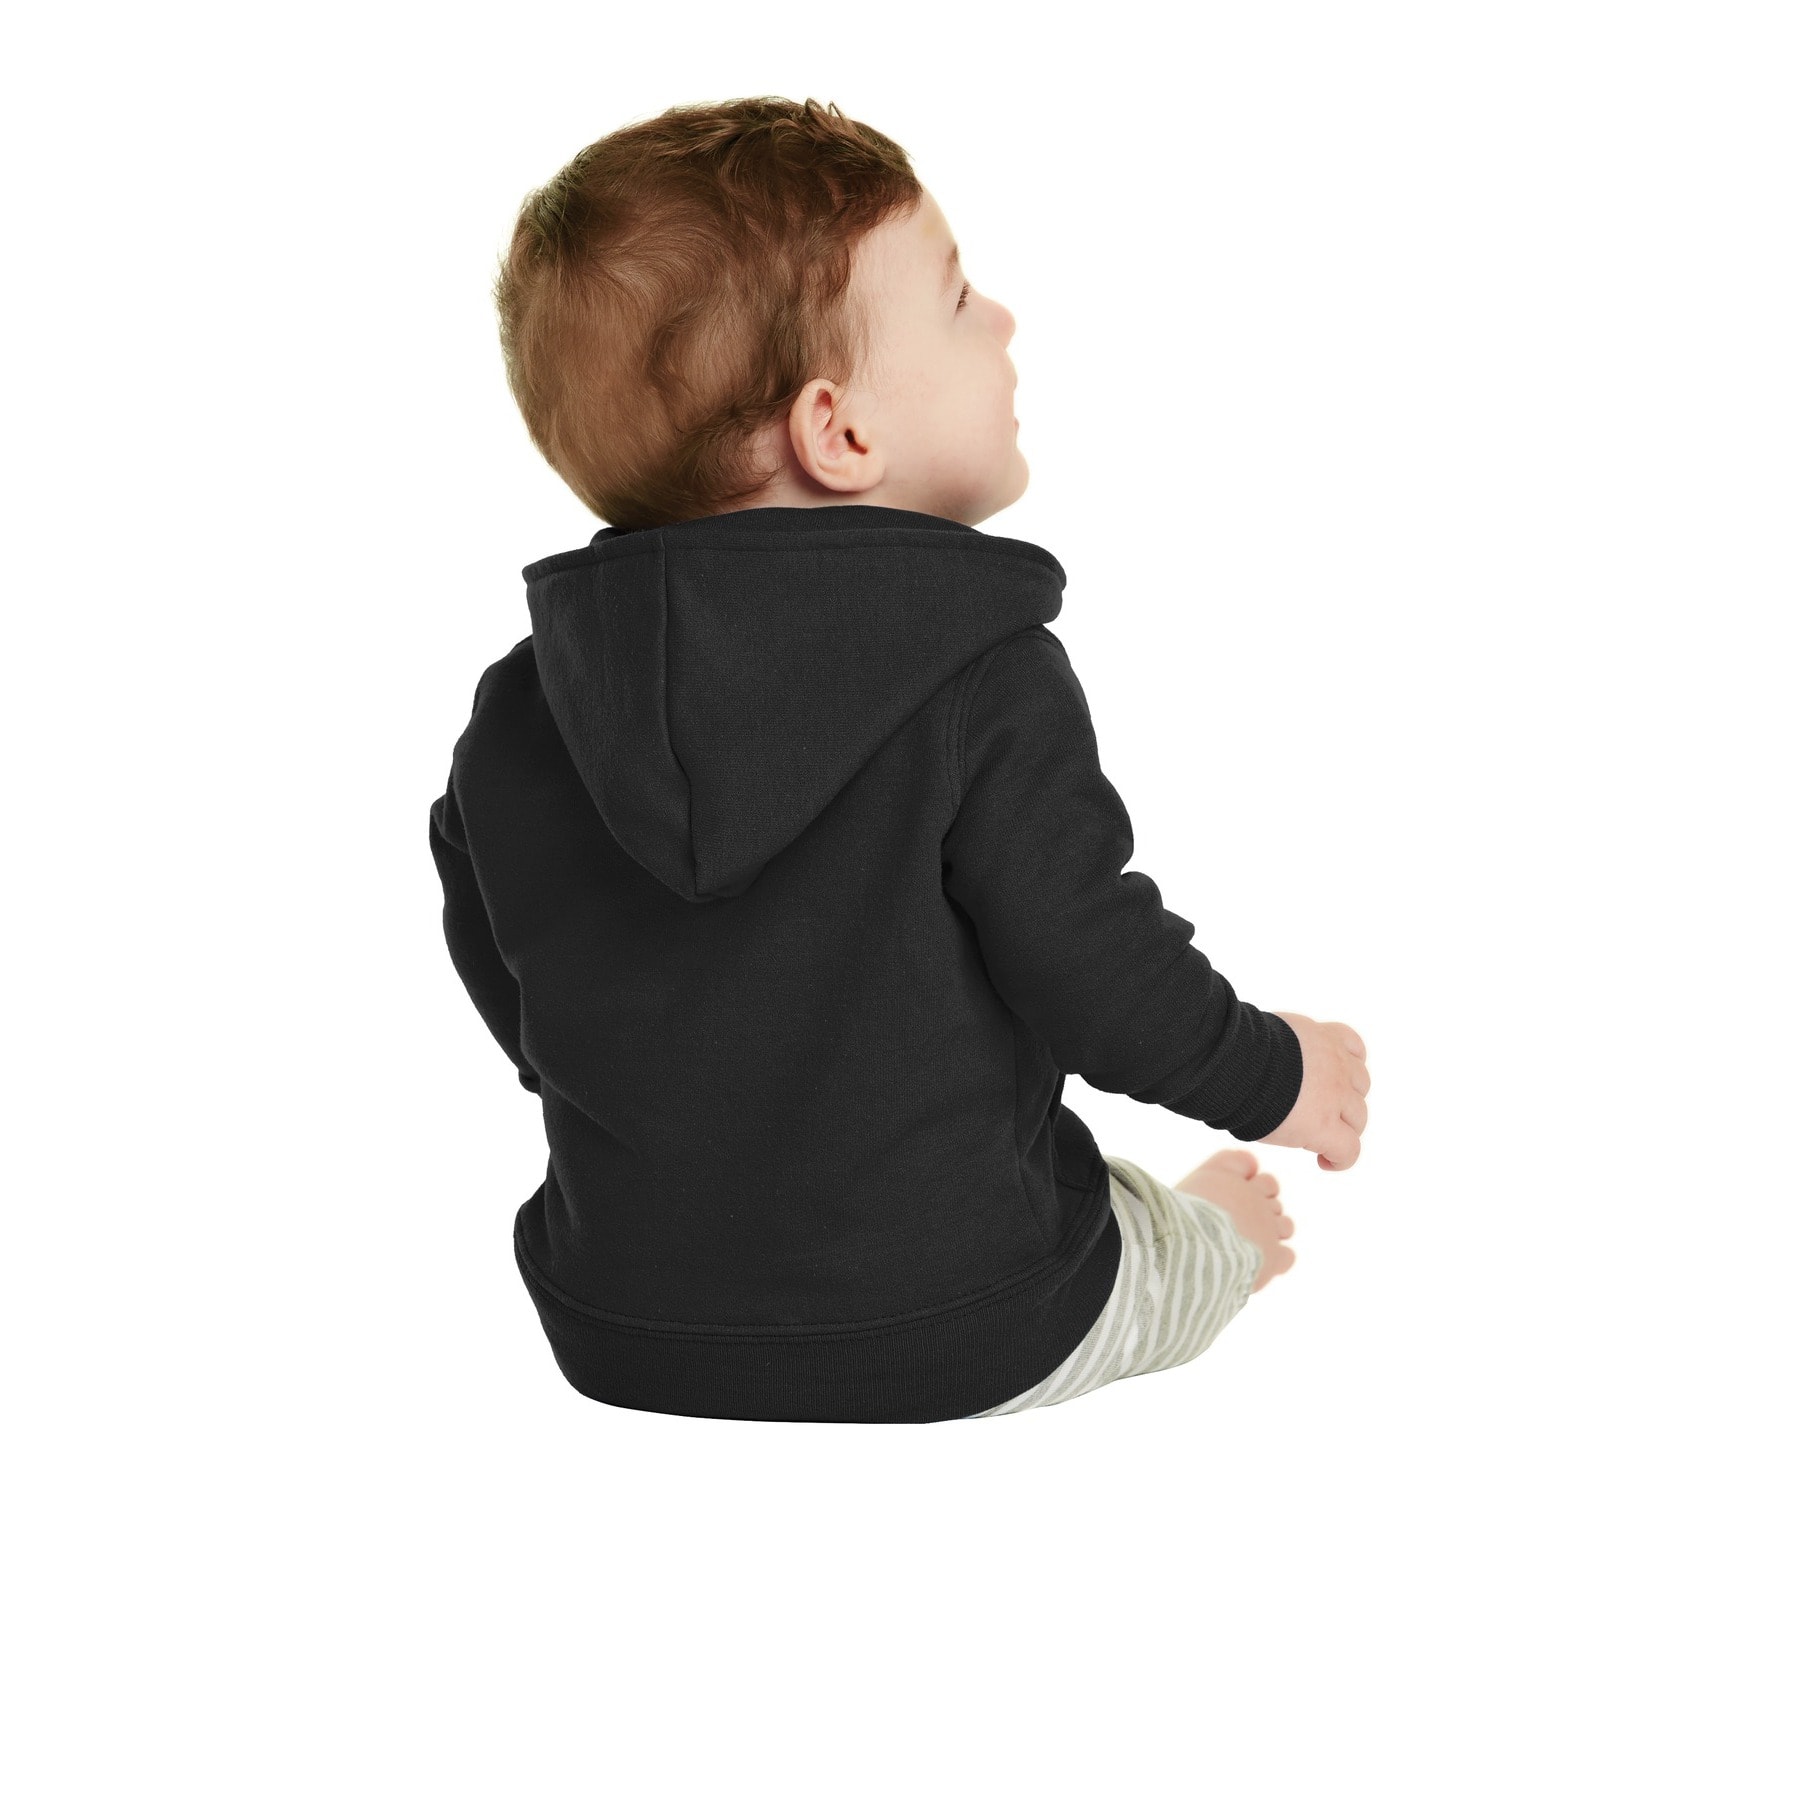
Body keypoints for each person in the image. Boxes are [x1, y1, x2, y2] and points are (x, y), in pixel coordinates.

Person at [428, 97, 1371, 1424]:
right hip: (961, 1326)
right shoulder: (976, 674)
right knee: (1151, 1236)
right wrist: (1280, 1076)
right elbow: (1092, 966)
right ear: (841, 434)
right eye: (959, 298)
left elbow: (498, 943)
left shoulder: (524, 710)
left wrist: (623, 1093)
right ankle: (1221, 1244)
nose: (1005, 321)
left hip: (619, 1327)